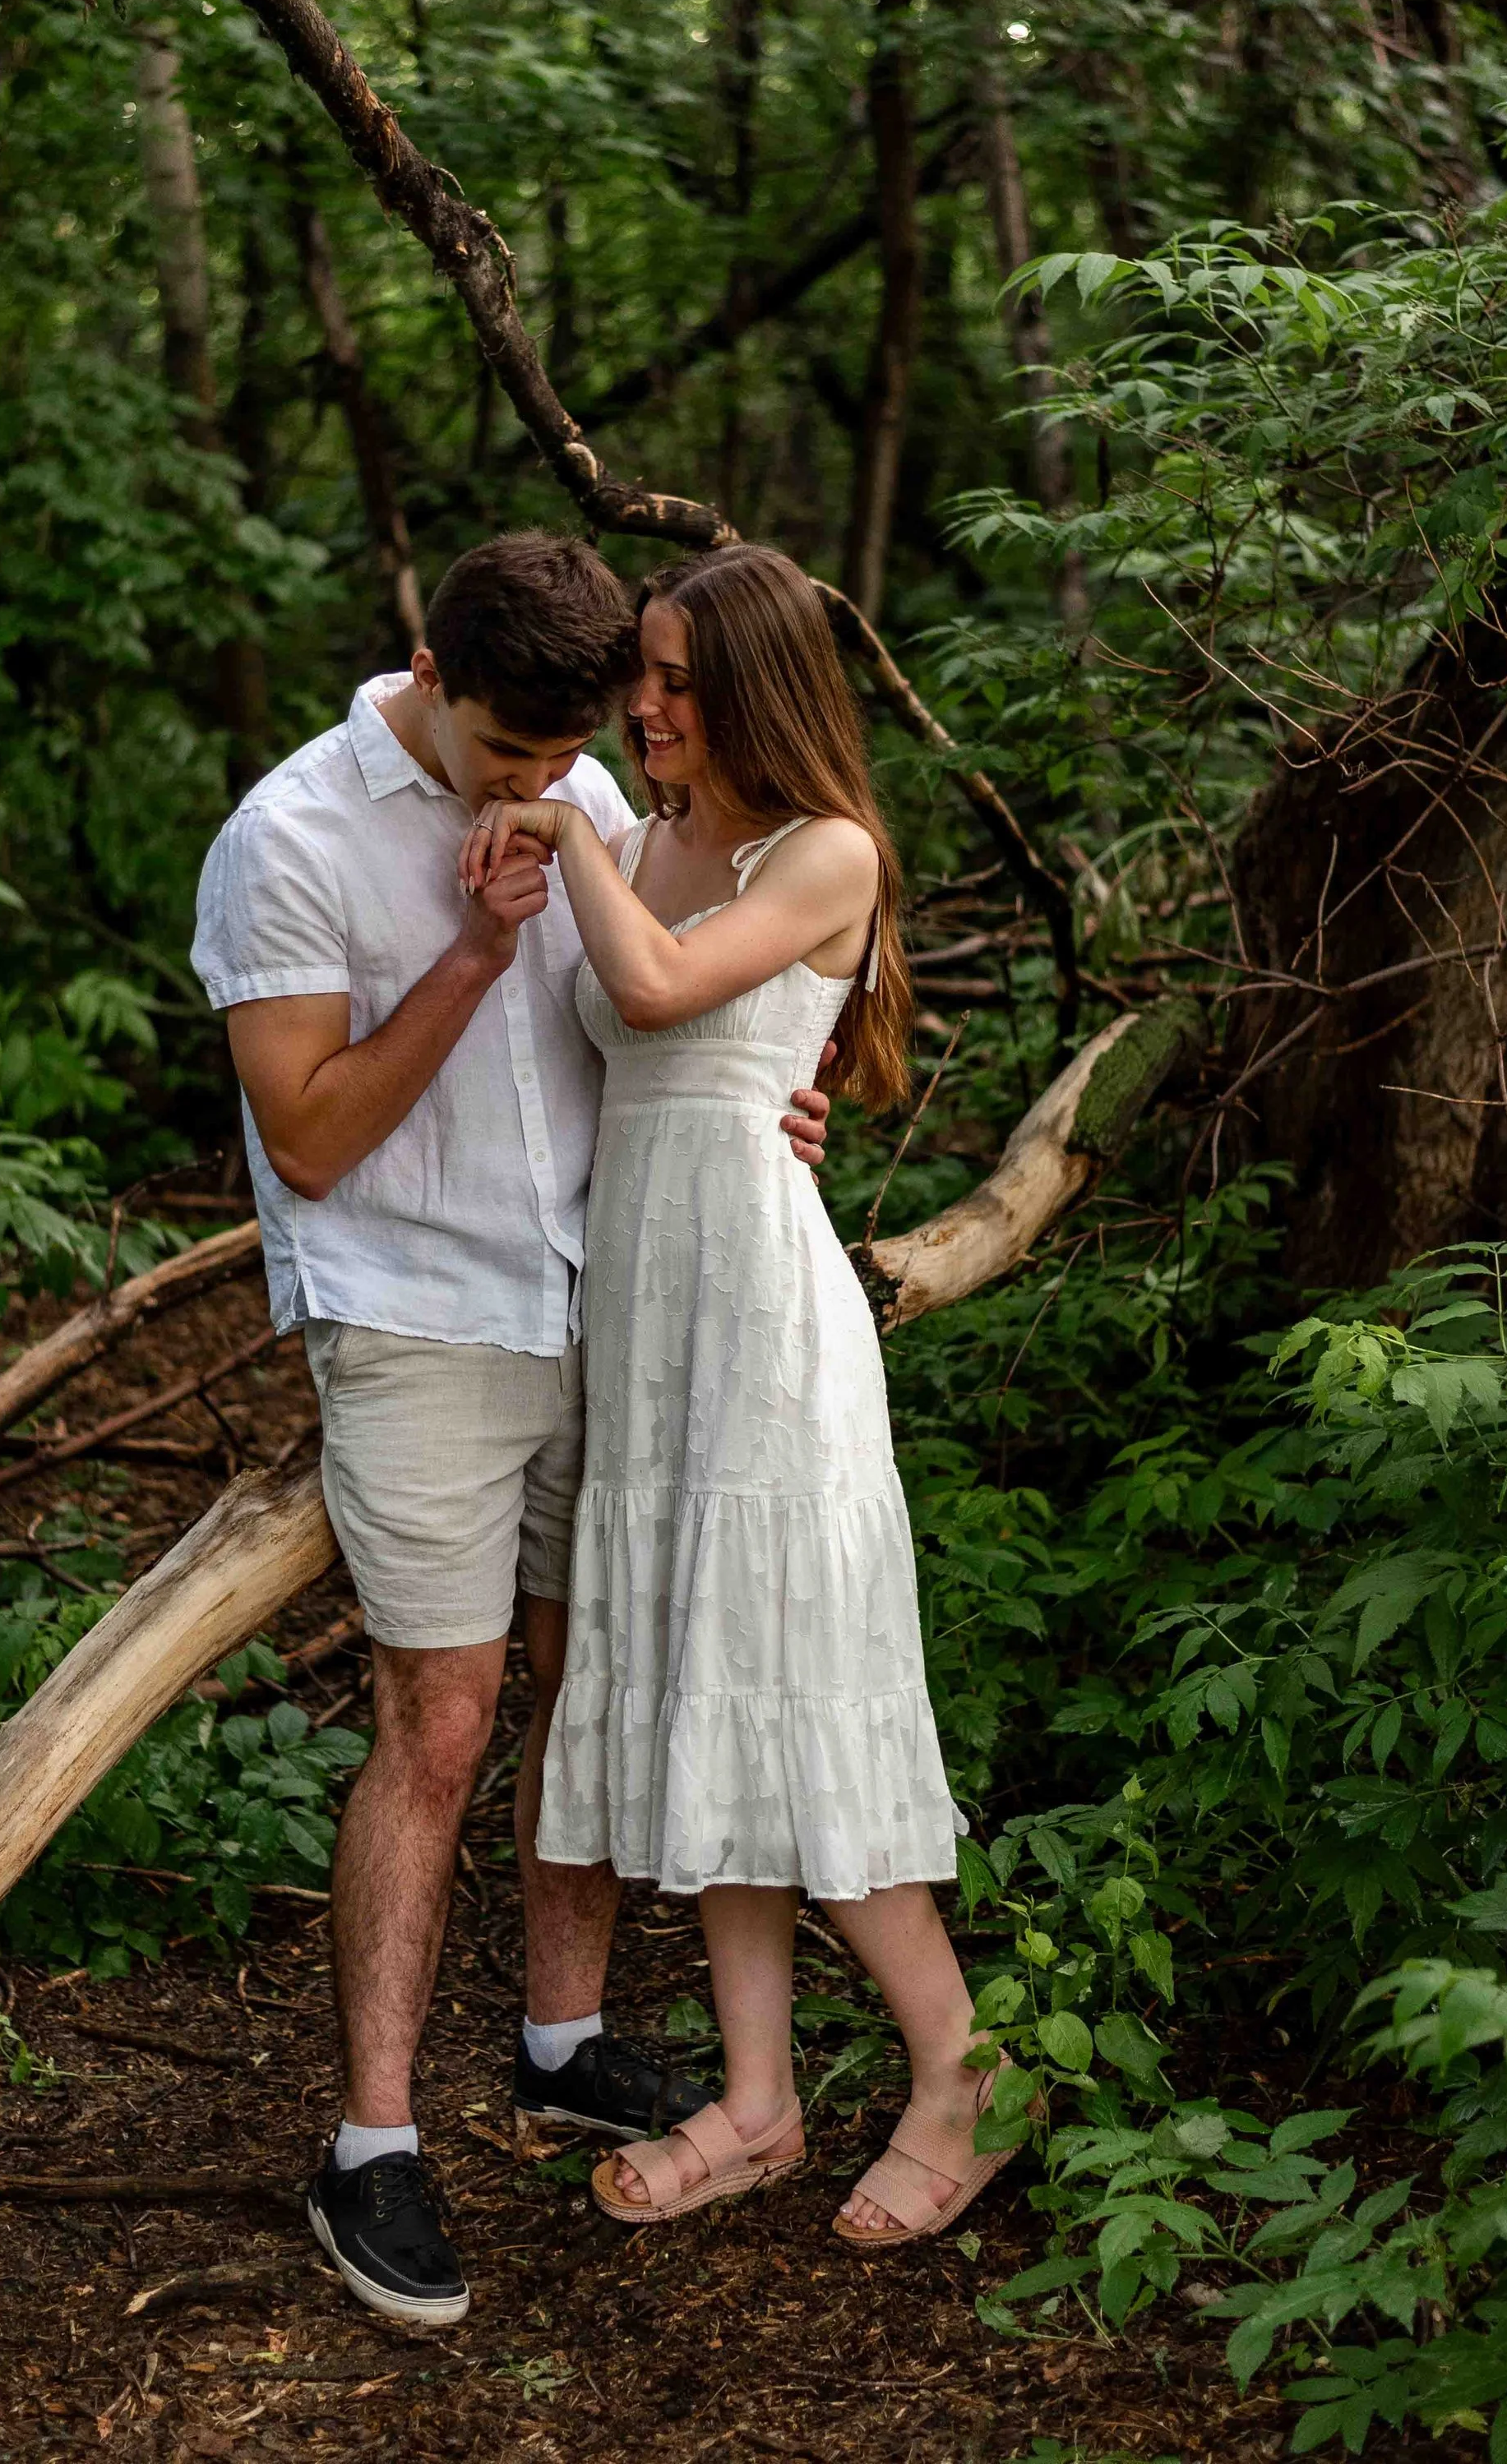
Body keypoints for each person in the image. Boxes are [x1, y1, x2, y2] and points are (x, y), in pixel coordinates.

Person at [189, 531, 834, 2326]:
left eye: (567, 756)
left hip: (601, 1294)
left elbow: (671, 1009)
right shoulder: (292, 838)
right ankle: (371, 2143)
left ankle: (561, 2039)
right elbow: (312, 1139)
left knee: (586, 1683)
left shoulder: (589, 791)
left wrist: (767, 1111)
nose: (539, 787)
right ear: (429, 670)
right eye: (507, 753)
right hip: (417, 1313)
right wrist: (476, 949)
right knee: (442, 1719)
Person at [458, 542, 1010, 2249]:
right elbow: (609, 1053)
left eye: (678, 680)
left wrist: (564, 835)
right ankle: (760, 2101)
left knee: (798, 1693)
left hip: (766, 1334)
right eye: (643, 672)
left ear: (759, 690)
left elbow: (657, 989)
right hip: (649, 1331)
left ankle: (966, 2072)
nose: (644, 704)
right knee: (714, 1706)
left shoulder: (827, 849)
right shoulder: (642, 842)